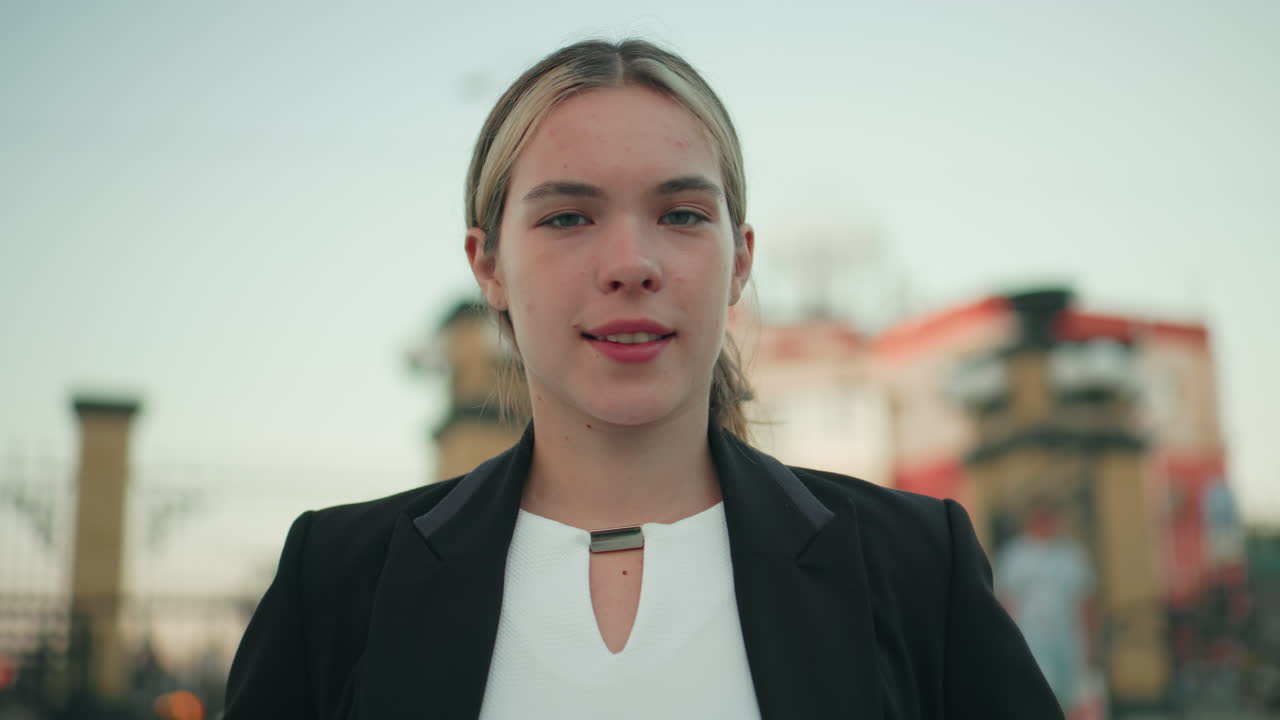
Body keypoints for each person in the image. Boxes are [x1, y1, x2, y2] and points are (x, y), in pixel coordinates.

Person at [224, 39, 1062, 719]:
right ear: (488, 265)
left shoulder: (916, 566)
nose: (631, 263)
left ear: (740, 260)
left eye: (682, 214)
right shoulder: (335, 582)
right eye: (567, 217)